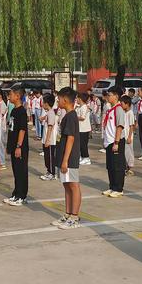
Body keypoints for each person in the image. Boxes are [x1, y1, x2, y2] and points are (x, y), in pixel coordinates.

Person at [51, 87, 81, 229]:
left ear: (64, 99)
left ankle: (74, 217)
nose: (57, 100)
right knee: (66, 185)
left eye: (59, 98)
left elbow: (70, 139)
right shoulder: (67, 115)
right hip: (63, 156)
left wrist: (65, 160)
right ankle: (68, 214)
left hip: (69, 158)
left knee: (73, 185)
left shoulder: (71, 116)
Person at [4, 86, 29, 206]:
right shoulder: (13, 110)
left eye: (11, 94)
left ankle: (21, 195)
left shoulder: (22, 112)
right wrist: (10, 146)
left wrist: (19, 146)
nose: (9, 97)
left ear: (18, 96)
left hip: (20, 147)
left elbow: (22, 130)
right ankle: (16, 193)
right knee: (16, 170)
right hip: (13, 145)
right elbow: (12, 129)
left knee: (21, 171)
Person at [101, 86, 126, 198]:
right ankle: (112, 186)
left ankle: (118, 188)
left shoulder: (119, 109)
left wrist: (116, 142)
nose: (108, 97)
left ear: (116, 96)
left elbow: (119, 126)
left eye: (110, 95)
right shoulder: (110, 109)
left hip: (116, 141)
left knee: (117, 166)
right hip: (109, 141)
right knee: (110, 166)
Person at [40, 93, 58, 180]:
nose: (42, 104)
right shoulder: (49, 113)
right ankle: (48, 171)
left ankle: (52, 173)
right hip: (46, 139)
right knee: (47, 157)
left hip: (50, 140)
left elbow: (50, 127)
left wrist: (47, 140)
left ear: (46, 103)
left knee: (50, 157)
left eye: (43, 102)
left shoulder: (51, 113)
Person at [120, 95, 136, 176]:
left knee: (129, 153)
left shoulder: (130, 113)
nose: (121, 105)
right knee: (124, 153)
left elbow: (131, 126)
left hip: (128, 136)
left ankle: (130, 168)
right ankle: (125, 167)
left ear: (127, 104)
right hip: (123, 136)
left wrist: (129, 137)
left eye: (122, 104)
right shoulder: (123, 112)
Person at [76, 92, 92, 165]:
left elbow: (82, 117)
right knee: (80, 144)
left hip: (84, 129)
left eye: (77, 98)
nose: (76, 100)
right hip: (80, 128)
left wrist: (75, 117)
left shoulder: (84, 107)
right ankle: (82, 157)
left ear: (80, 99)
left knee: (83, 144)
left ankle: (86, 158)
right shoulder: (79, 107)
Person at [0, 90, 8, 170]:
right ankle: (0, 161)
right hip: (0, 127)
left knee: (1, 145)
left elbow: (0, 115)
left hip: (2, 127)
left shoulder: (3, 105)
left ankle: (2, 163)